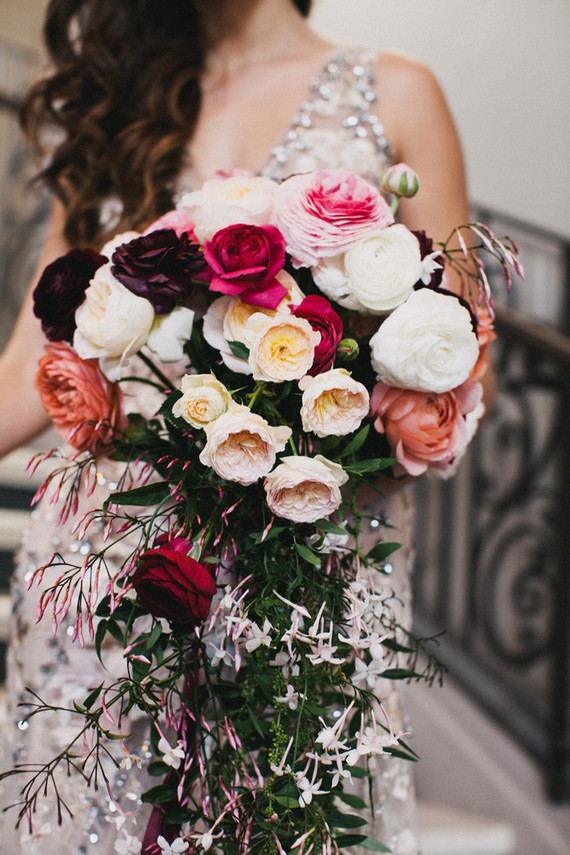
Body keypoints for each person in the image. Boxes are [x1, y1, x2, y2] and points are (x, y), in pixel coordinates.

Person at [0, 1, 489, 853]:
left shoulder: (397, 93)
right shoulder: (120, 103)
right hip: (109, 562)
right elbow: (26, 364)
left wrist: (315, 427)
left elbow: (454, 353)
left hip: (300, 567)